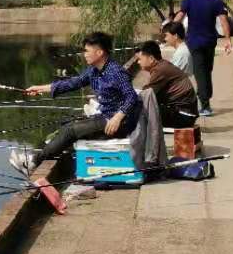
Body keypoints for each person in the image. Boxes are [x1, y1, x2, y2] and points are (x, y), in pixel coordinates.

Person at [10, 31, 141, 176]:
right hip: (105, 116)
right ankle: (41, 156)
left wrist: (118, 117)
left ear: (99, 52)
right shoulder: (94, 71)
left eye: (87, 51)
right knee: (68, 124)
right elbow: (72, 83)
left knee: (70, 131)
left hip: (118, 122)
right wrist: (40, 88)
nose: (84, 54)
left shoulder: (115, 71)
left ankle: (33, 162)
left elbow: (132, 97)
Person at [174, 0, 233, 116]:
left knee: (202, 71)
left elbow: (180, 17)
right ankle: (205, 99)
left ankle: (205, 102)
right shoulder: (215, 0)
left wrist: (169, 29)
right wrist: (227, 39)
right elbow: (224, 21)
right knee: (205, 70)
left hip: (194, 41)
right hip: (210, 41)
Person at [131, 41, 198, 128]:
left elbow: (146, 95)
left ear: (151, 58)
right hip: (185, 114)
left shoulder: (160, 70)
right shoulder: (162, 66)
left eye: (140, 59)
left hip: (183, 116)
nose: (138, 62)